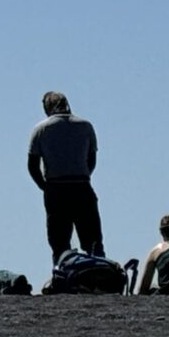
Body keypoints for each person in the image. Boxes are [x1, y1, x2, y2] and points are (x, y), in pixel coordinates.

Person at [27, 91, 102, 264]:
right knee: (93, 241)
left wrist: (44, 186)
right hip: (82, 186)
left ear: (47, 107)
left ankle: (61, 272)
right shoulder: (85, 126)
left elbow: (32, 165)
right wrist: (84, 174)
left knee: (59, 244)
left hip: (56, 188)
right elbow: (91, 158)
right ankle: (99, 273)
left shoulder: (41, 129)